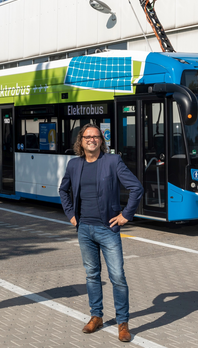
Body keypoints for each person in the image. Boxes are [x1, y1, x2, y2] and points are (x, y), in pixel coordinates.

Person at [59, 123, 144, 343]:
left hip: (108, 229)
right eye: (87, 137)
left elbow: (136, 188)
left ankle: (122, 323)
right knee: (91, 275)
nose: (91, 140)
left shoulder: (113, 162)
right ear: (81, 141)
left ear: (101, 141)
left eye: (96, 136)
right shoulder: (74, 165)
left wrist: (126, 215)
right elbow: (63, 190)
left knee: (117, 277)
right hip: (84, 229)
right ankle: (96, 316)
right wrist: (71, 215)